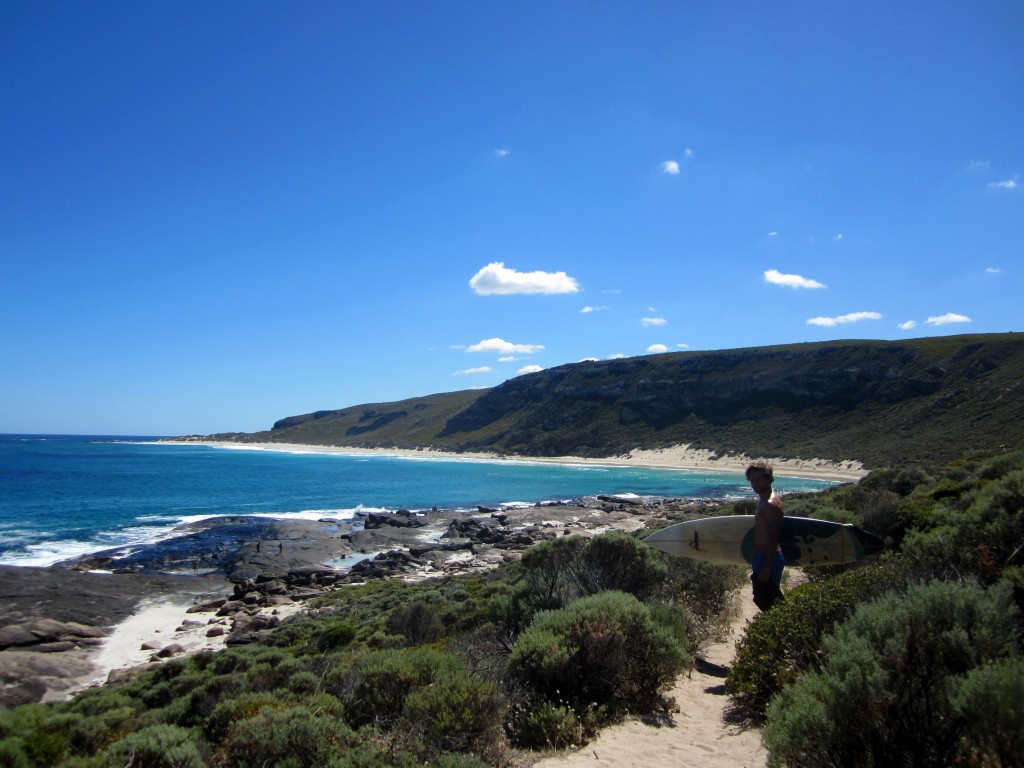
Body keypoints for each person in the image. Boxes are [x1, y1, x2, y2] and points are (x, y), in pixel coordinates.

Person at [746, 460, 785, 610]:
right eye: (752, 481)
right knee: (765, 598)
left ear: (768, 479)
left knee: (768, 601)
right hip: (762, 556)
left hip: (768, 558)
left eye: (759, 480)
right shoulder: (765, 499)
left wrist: (766, 567)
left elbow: (773, 539)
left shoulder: (769, 504)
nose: (755, 484)